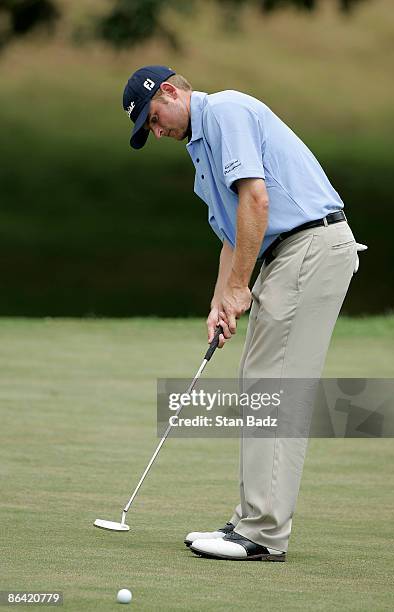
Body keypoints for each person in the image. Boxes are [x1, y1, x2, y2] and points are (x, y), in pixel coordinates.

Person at [122, 65, 365, 562]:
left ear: (170, 92)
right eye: (149, 128)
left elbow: (256, 199)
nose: (158, 131)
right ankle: (250, 519)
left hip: (309, 245)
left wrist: (240, 289)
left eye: (153, 119)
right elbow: (237, 230)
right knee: (260, 379)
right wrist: (221, 298)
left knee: (274, 384)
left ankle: (262, 532)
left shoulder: (226, 110)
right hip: (290, 254)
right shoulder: (201, 147)